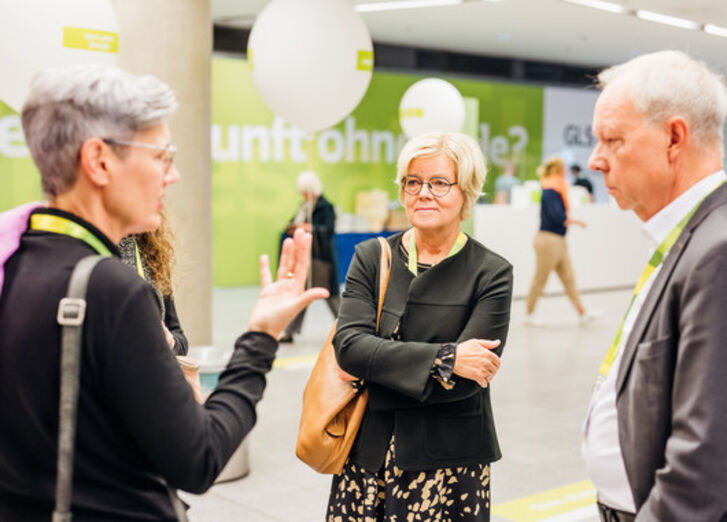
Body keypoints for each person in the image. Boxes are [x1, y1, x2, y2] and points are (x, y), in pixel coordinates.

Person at [0, 65, 327, 521]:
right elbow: (198, 459)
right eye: (161, 157)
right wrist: (261, 336)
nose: (171, 177)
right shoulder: (112, 290)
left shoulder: (14, 262)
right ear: (99, 161)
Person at [327, 132, 513, 521]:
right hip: (370, 456)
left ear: (467, 192)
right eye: (413, 182)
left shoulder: (491, 273)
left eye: (439, 182)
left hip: (452, 464)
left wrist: (378, 368)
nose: (423, 193)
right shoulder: (372, 258)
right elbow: (348, 347)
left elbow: (470, 377)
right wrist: (446, 358)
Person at [583, 50, 727, 521]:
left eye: (612, 140)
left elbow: (704, 459)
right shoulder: (689, 235)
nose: (595, 161)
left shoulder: (716, 251)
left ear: (673, 138)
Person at [524, 156, 597, 326]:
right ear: (557, 169)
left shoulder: (556, 188)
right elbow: (558, 216)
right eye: (562, 168)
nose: (565, 171)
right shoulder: (550, 189)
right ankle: (530, 313)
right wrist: (575, 221)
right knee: (541, 278)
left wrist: (570, 221)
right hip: (548, 240)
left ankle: (582, 312)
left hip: (559, 241)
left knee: (568, 278)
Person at [279, 170, 340, 343]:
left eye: (305, 191)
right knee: (301, 297)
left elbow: (328, 231)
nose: (303, 195)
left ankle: (347, 327)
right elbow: (291, 224)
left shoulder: (325, 207)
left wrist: (309, 228)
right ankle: (290, 331)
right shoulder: (304, 207)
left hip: (322, 259)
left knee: (331, 297)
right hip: (306, 257)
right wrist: (295, 227)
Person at [118, 212, 188, 355]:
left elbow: (179, 337)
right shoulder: (94, 255)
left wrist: (170, 342)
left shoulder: (152, 252)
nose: (163, 190)